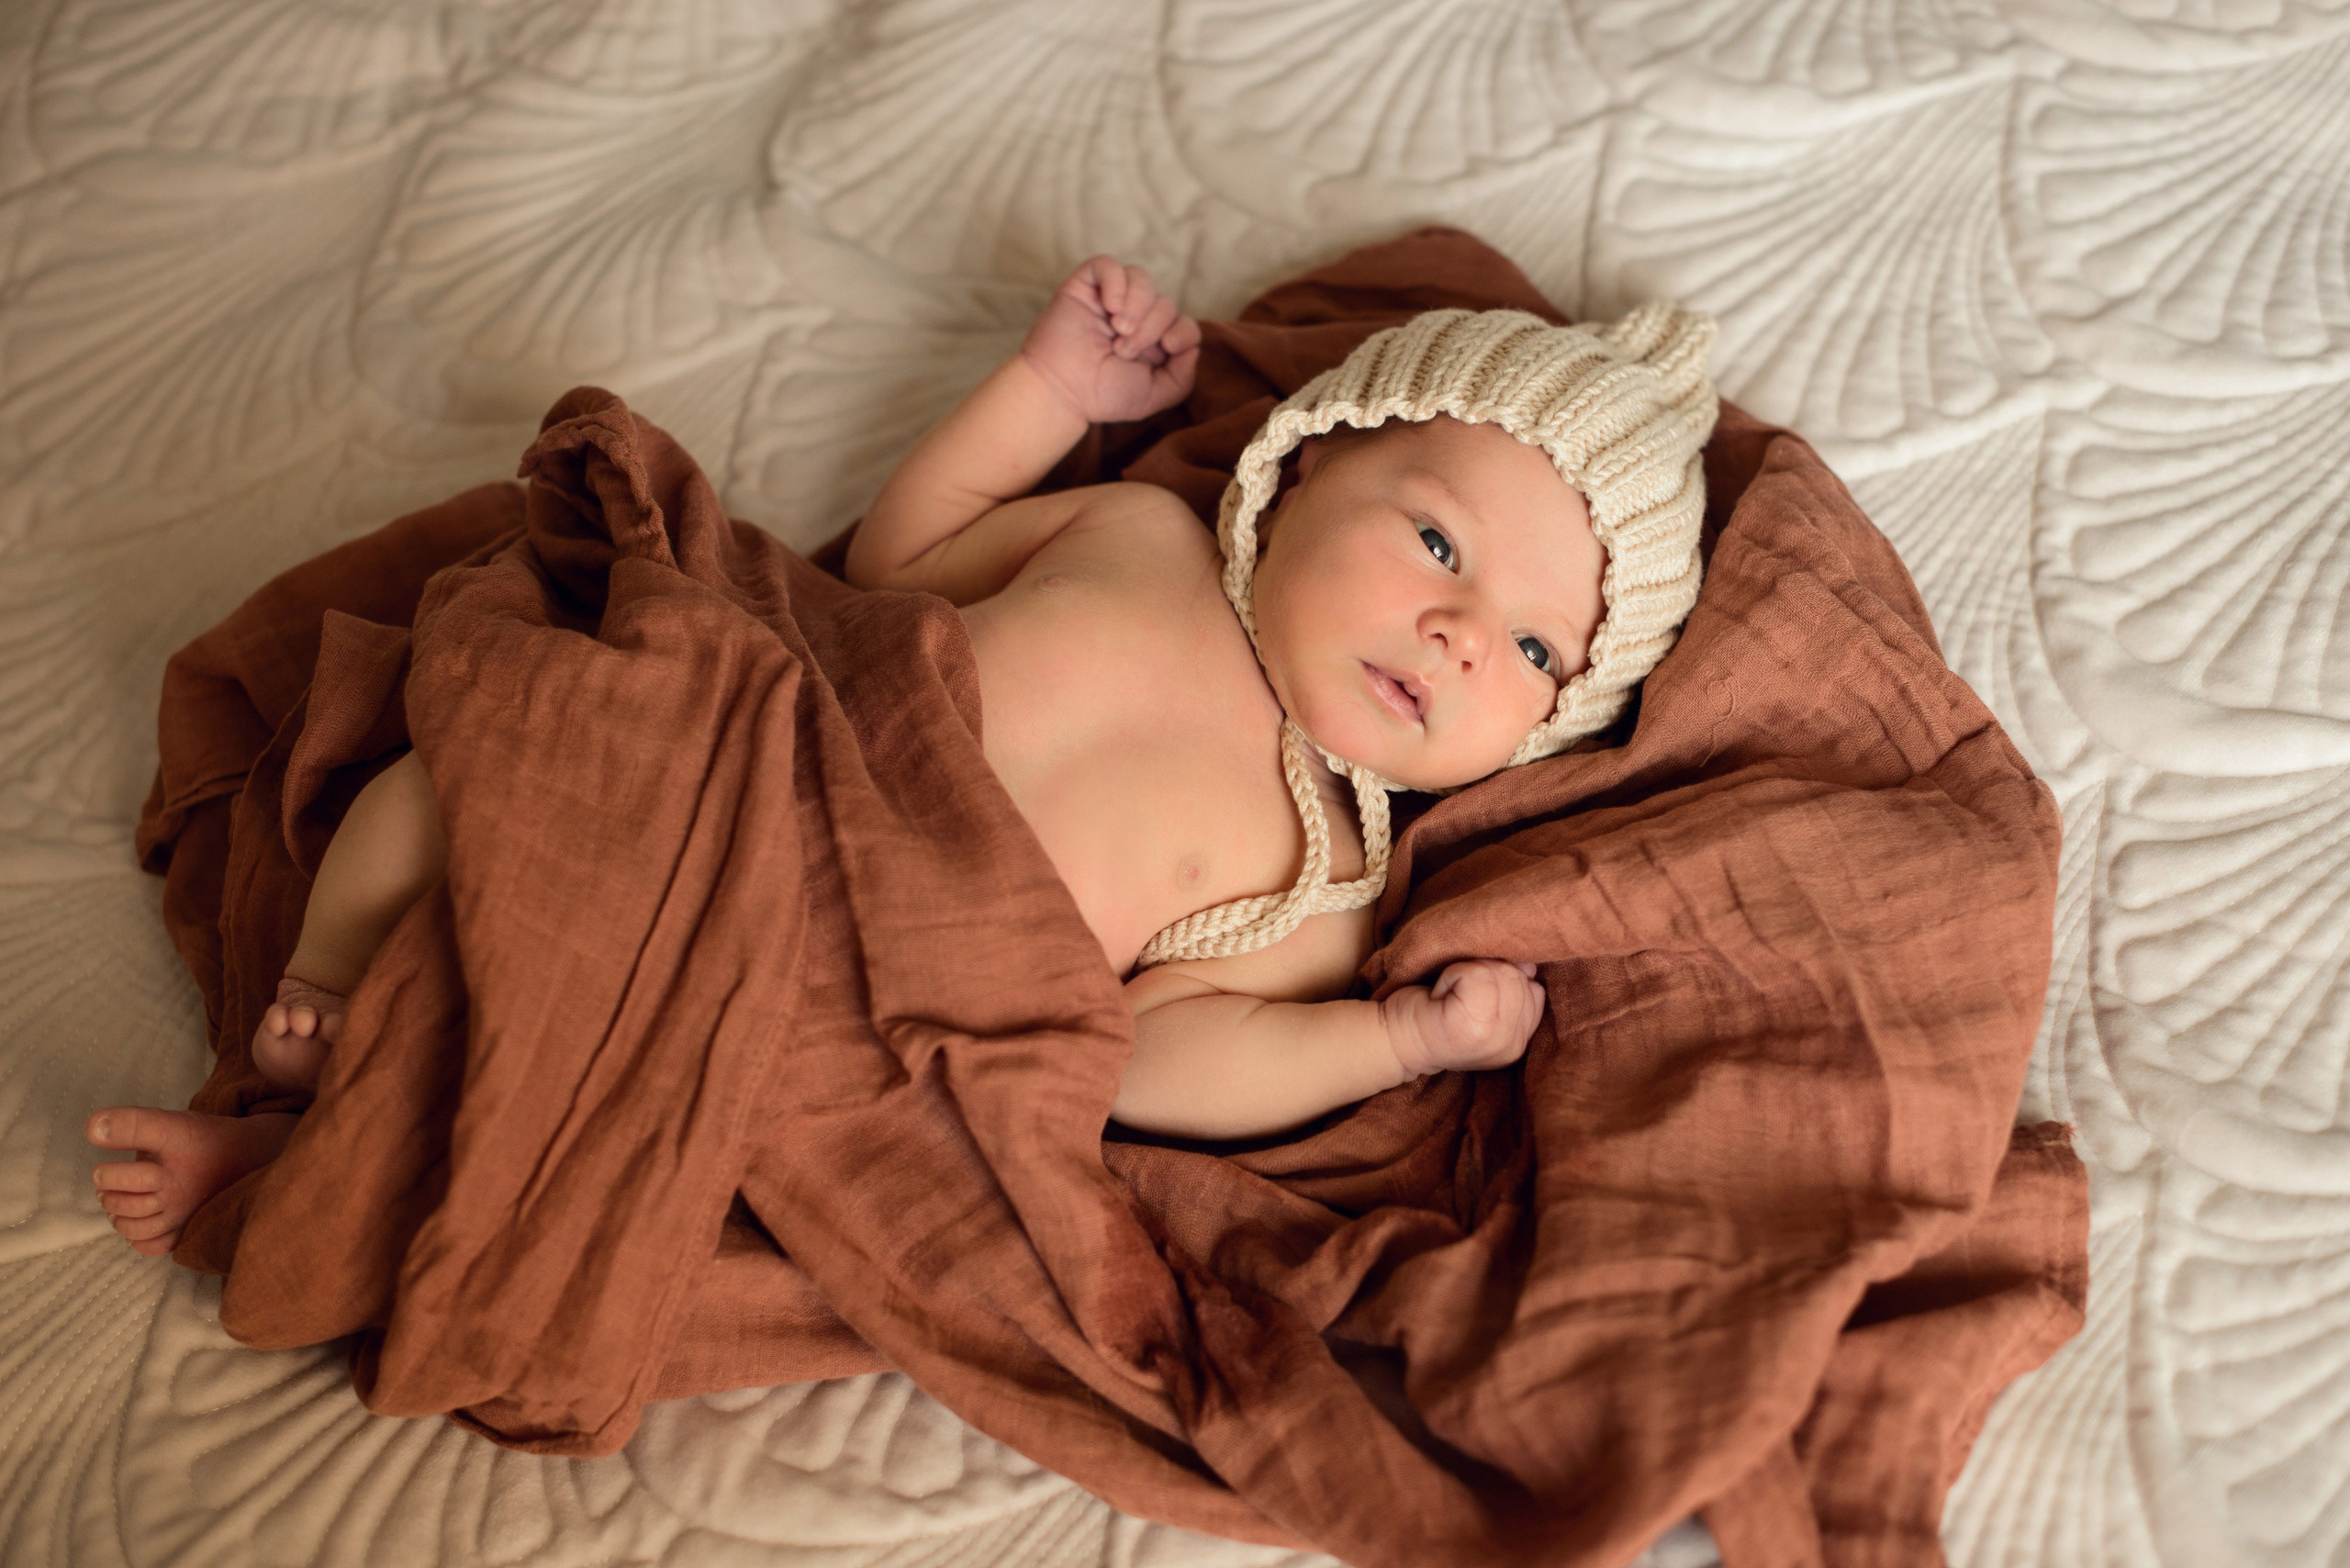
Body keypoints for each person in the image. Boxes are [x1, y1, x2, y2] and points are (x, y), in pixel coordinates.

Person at [89, 255, 1717, 1255]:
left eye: (1530, 653)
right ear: (1298, 477)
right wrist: (1048, 391)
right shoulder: (1140, 528)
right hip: (746, 758)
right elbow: (897, 566)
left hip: (837, 979)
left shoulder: (1328, 875)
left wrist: (1396, 1044)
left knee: (578, 1113)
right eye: (1437, 541)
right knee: (494, 749)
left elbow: (1151, 1060)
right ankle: (327, 966)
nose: (1458, 635)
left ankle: (281, 1162)